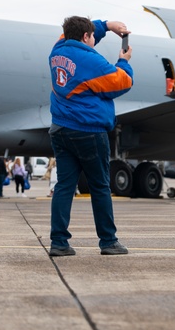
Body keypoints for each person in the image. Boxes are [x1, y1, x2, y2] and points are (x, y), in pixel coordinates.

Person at [48, 15, 134, 257]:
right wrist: (123, 60)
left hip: (60, 129)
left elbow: (73, 33)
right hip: (88, 131)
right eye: (93, 36)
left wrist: (106, 26)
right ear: (86, 37)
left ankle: (59, 243)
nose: (95, 39)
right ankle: (108, 241)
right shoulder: (90, 60)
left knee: (65, 186)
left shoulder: (57, 51)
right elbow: (122, 82)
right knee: (99, 186)